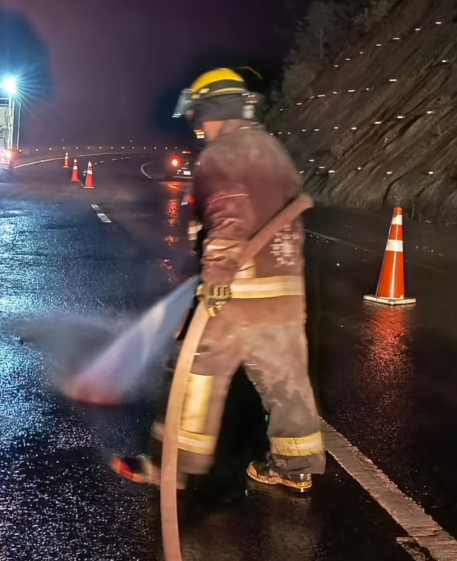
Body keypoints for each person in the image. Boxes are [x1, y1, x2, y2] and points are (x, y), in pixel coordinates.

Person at [112, 68, 326, 492]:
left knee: (193, 370)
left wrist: (217, 278)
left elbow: (228, 216)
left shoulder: (221, 155)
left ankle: (172, 467)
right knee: (286, 381)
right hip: (283, 292)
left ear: (211, 111)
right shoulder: (273, 151)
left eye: (199, 118)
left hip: (237, 292)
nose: (199, 128)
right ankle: (295, 468)